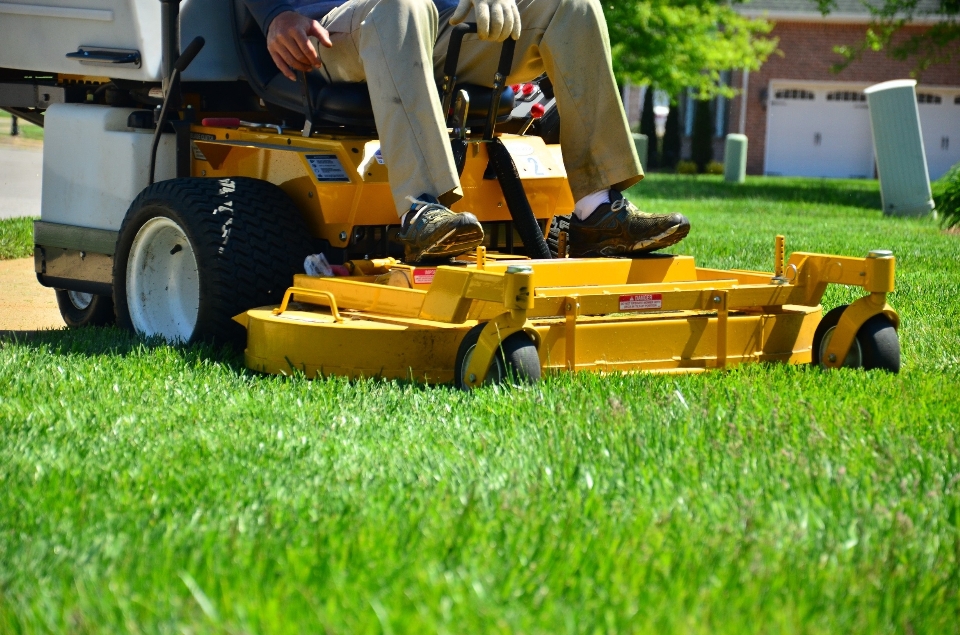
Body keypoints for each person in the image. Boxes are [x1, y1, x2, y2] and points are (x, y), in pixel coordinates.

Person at [243, 0, 690, 262]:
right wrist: (274, 15)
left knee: (573, 5)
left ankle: (597, 212)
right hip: (330, 29)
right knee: (402, 6)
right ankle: (423, 210)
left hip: (438, 22)